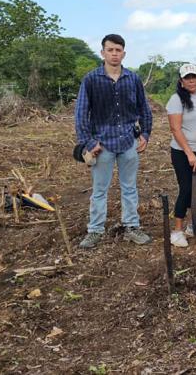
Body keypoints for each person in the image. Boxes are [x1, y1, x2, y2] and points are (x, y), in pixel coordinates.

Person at [75, 34, 153, 249]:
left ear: (124, 53)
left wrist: (145, 134)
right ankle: (95, 230)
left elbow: (144, 109)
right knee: (100, 189)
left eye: (118, 50)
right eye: (110, 50)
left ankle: (131, 226)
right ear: (103, 53)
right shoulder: (91, 79)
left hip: (128, 141)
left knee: (129, 187)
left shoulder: (133, 79)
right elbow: (81, 113)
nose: (114, 54)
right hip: (102, 144)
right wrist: (89, 143)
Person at [166, 64, 196, 247]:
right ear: (181, 81)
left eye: (194, 77)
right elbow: (175, 128)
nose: (191, 80)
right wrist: (189, 153)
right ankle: (177, 230)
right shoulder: (176, 99)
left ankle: (192, 224)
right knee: (186, 188)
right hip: (184, 153)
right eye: (187, 78)